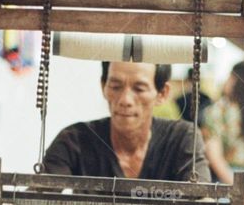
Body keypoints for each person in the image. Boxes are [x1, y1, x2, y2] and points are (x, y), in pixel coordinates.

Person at [42, 61, 211, 181]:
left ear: (162, 93)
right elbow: (38, 201)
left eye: (139, 89)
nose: (125, 100)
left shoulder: (182, 139)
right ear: (103, 87)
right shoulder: (75, 140)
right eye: (116, 87)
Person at [201, 61, 244, 205]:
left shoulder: (218, 110)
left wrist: (239, 189)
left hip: (226, 180)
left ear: (235, 80)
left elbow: (214, 157)